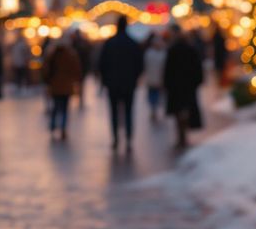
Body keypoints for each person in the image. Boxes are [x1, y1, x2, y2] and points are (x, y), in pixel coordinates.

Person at [95, 14, 144, 153]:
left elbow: (101, 64)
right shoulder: (133, 43)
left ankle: (115, 137)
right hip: (129, 84)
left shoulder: (109, 43)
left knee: (114, 111)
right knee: (128, 111)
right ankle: (128, 137)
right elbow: (139, 65)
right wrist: (135, 77)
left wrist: (105, 80)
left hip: (113, 84)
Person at [164, 23, 205, 148]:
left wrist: (167, 83)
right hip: (188, 85)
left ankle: (181, 136)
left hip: (177, 86)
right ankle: (183, 135)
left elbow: (168, 70)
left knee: (178, 111)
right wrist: (197, 81)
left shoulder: (172, 50)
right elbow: (198, 68)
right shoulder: (190, 49)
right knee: (186, 109)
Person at [43, 32, 83, 141]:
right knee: (65, 108)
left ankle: (53, 125)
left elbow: (46, 69)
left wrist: (47, 81)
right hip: (66, 85)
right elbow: (76, 69)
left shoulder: (52, 54)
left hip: (55, 85)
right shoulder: (71, 55)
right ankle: (63, 128)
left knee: (56, 106)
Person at [142, 31, 167, 123]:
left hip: (155, 78)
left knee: (156, 96)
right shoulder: (151, 54)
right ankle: (154, 110)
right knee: (154, 96)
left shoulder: (151, 53)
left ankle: (155, 110)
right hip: (153, 79)